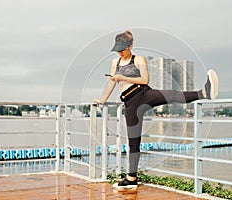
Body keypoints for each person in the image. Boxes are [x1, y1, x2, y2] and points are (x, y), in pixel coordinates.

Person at [93, 30, 218, 189]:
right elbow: (111, 82)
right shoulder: (115, 63)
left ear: (131, 46)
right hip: (129, 103)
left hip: (144, 94)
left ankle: (204, 93)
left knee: (172, 95)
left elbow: (145, 79)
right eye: (117, 49)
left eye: (122, 49)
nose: (120, 52)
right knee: (133, 141)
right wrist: (102, 100)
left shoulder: (139, 59)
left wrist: (122, 77)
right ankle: (132, 178)